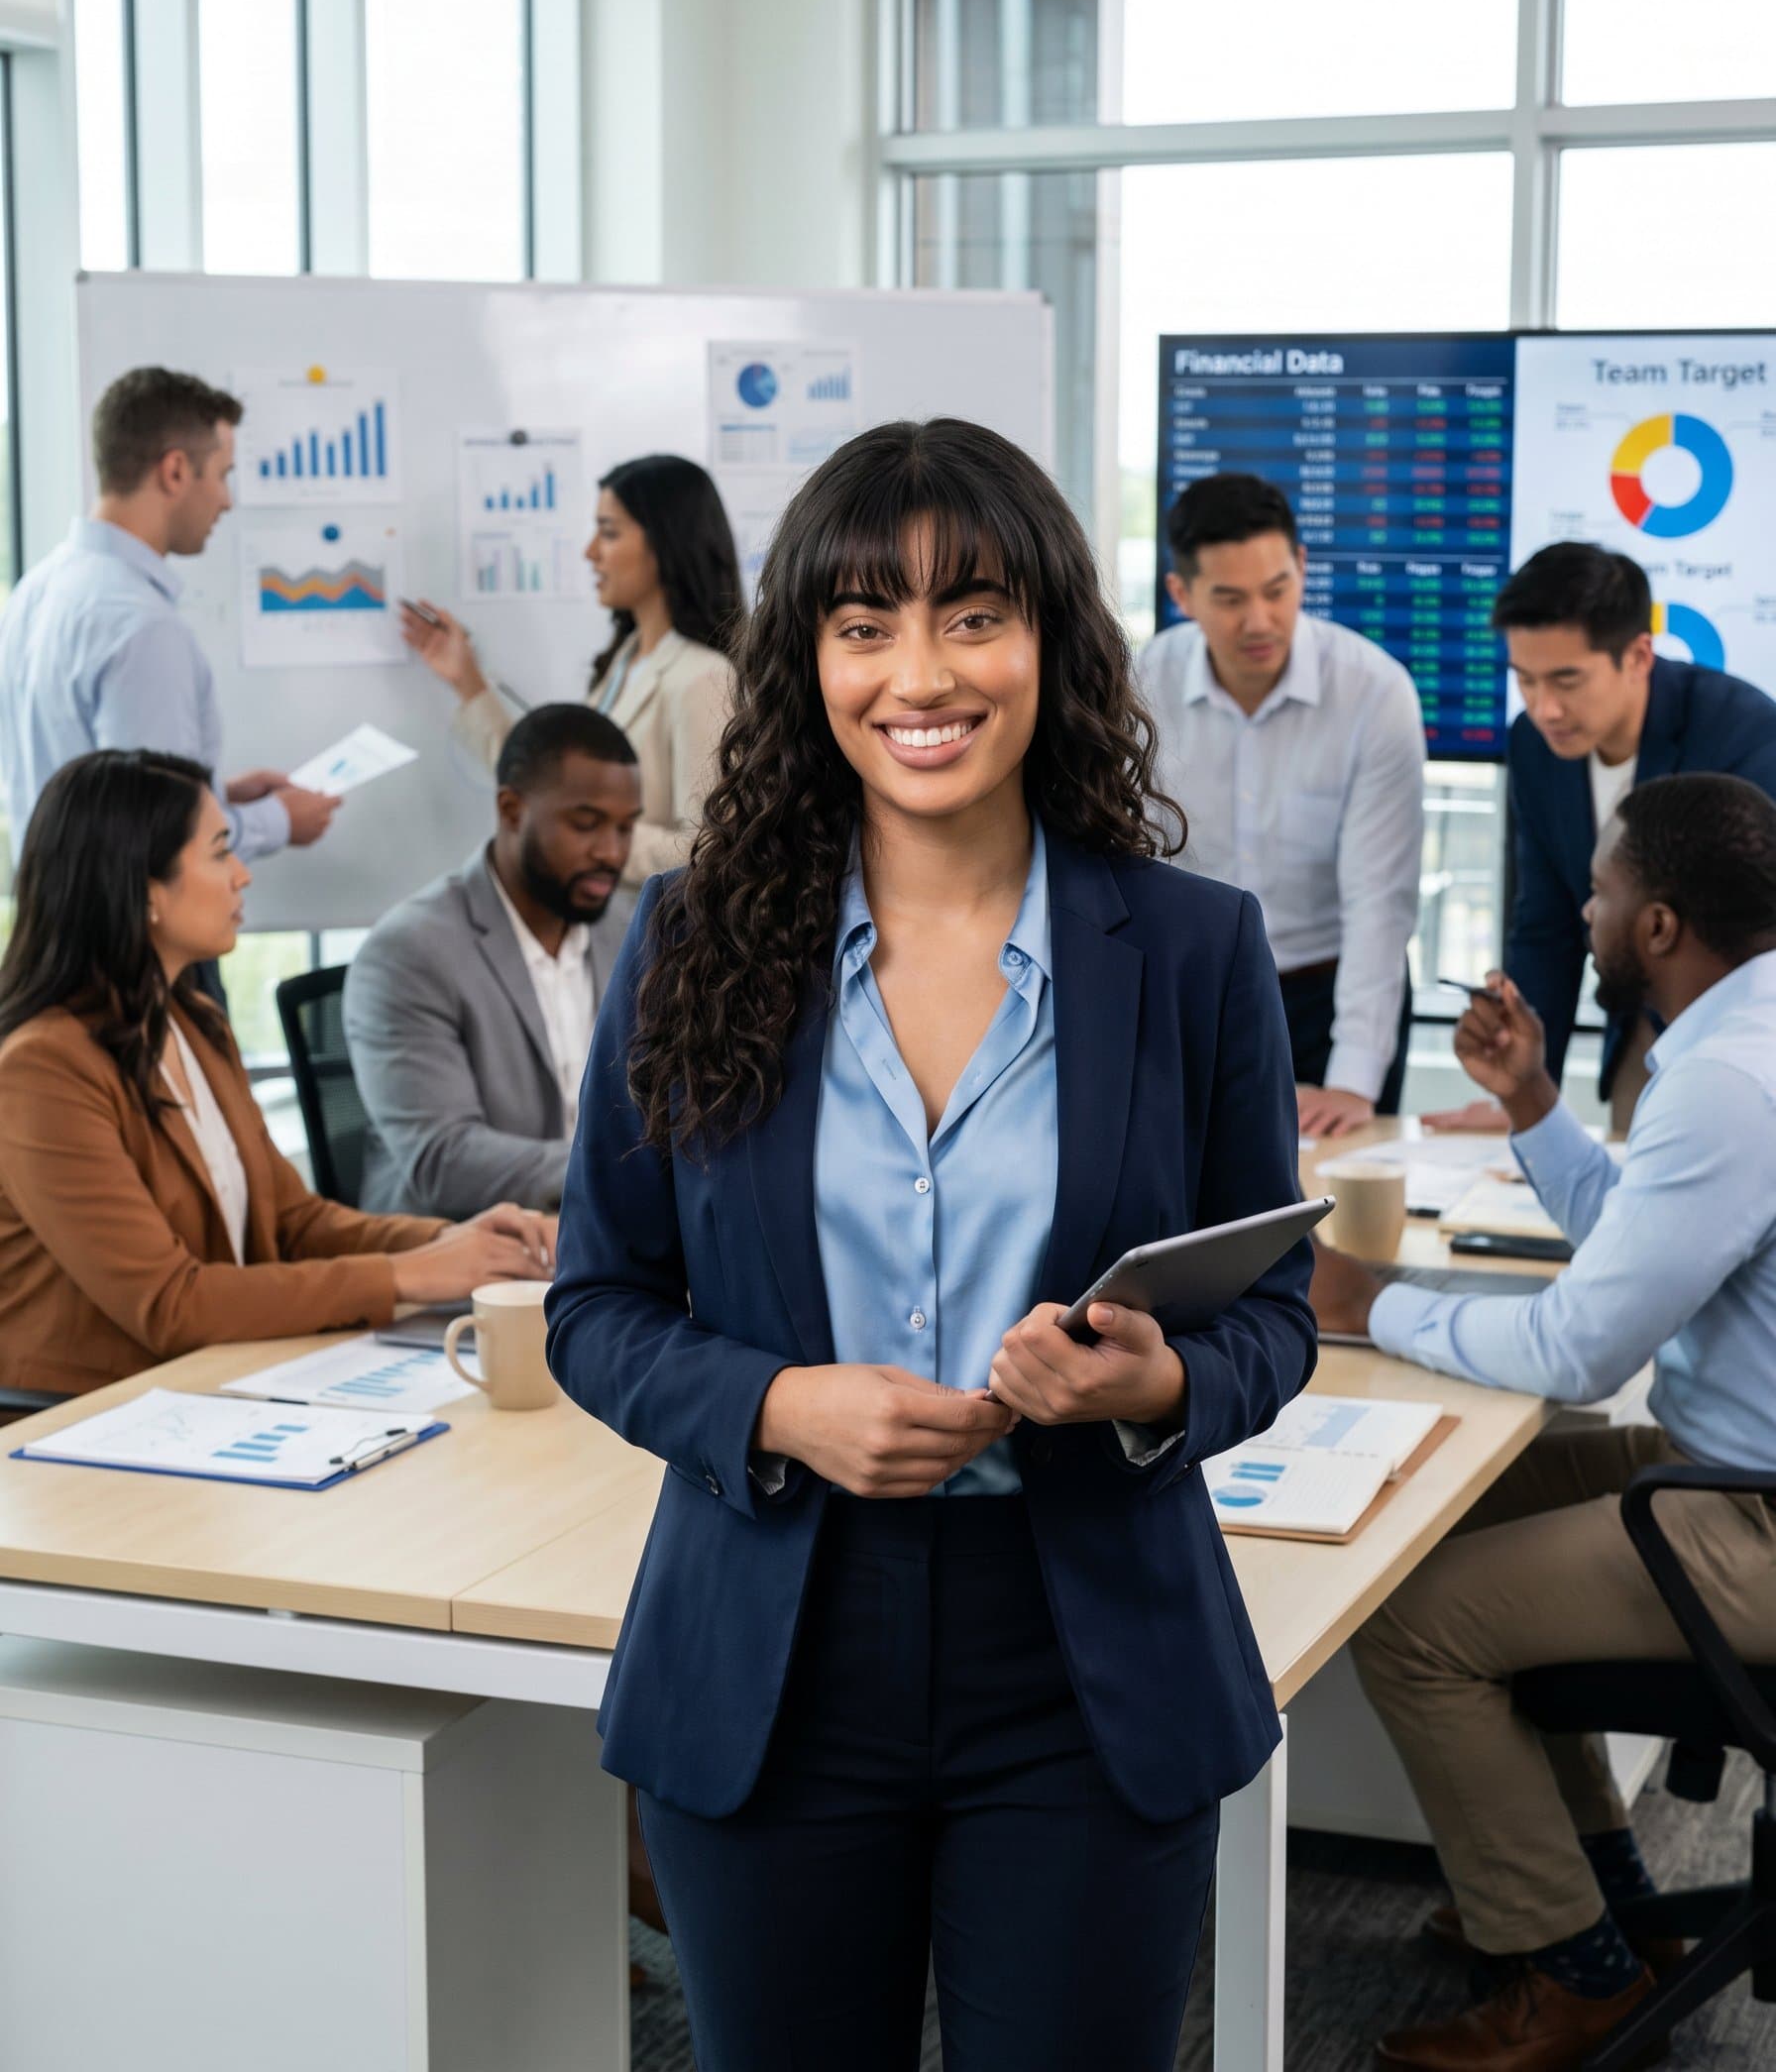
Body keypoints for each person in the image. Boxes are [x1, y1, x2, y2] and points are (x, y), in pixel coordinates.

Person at [545, 419, 1316, 2072]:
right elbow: (596, 1304)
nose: (920, 674)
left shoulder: (1189, 951)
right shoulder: (691, 942)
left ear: (1050, 637)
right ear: (808, 658)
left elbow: (1278, 1312)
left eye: (972, 615)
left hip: (1081, 1655)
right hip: (771, 1651)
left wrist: (1162, 1375)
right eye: (862, 624)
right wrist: (774, 1405)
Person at [1309, 772, 1776, 2072]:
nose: (1585, 906)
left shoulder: (1733, 1081)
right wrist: (1532, 1106)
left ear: (1664, 927)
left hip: (1754, 1510)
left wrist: (1368, 1306)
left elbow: (1580, 1347)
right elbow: (1650, 1242)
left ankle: (1570, 1976)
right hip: (1722, 1461)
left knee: (1409, 1619)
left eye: (1606, 886)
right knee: (1434, 1513)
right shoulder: (1752, 1040)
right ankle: (1607, 1912)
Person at [0, 751, 554, 1400]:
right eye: (218, 853)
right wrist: (407, 1275)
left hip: (216, 1389)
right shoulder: (41, 1072)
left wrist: (457, 1240)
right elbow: (170, 1304)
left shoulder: (193, 1022)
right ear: (145, 889)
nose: (242, 876)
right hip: (88, 1420)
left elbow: (292, 1222)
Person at [1427, 541, 1776, 1136]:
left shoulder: (1741, 733)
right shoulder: (1534, 746)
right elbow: (1546, 927)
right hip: (1639, 1025)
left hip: (1746, 1038)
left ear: (1639, 655)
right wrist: (1526, 1094)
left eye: (1567, 680)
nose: (1546, 709)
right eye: (1526, 681)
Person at [1137, 472, 1425, 1139]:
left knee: (1338, 1209)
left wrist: (1354, 1080)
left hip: (1330, 992)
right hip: (1195, 990)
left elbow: (1379, 902)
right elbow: (1130, 869)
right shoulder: (1140, 687)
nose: (1260, 622)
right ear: (1181, 594)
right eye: (1230, 599)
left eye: (1278, 590)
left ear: (1301, 567)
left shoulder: (1374, 692)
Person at [0, 367, 340, 866]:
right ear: (176, 471)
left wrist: (217, 795)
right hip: (131, 931)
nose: (227, 499)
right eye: (223, 475)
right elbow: (157, 834)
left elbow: (94, 786)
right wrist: (280, 821)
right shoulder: (142, 627)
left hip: (62, 919)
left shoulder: (35, 590)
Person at [399, 454, 739, 933]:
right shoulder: (624, 662)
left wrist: (578, 833)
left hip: (646, 947)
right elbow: (548, 782)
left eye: (609, 532)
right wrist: (466, 680)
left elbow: (707, 847)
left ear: (665, 543)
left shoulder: (702, 677)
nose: (590, 552)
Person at [344, 705, 641, 1217]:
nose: (612, 853)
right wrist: (628, 1169)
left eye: (625, 828)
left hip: (601, 1240)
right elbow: (444, 1160)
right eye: (586, 824)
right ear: (510, 810)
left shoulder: (631, 931)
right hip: (469, 1258)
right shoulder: (409, 952)